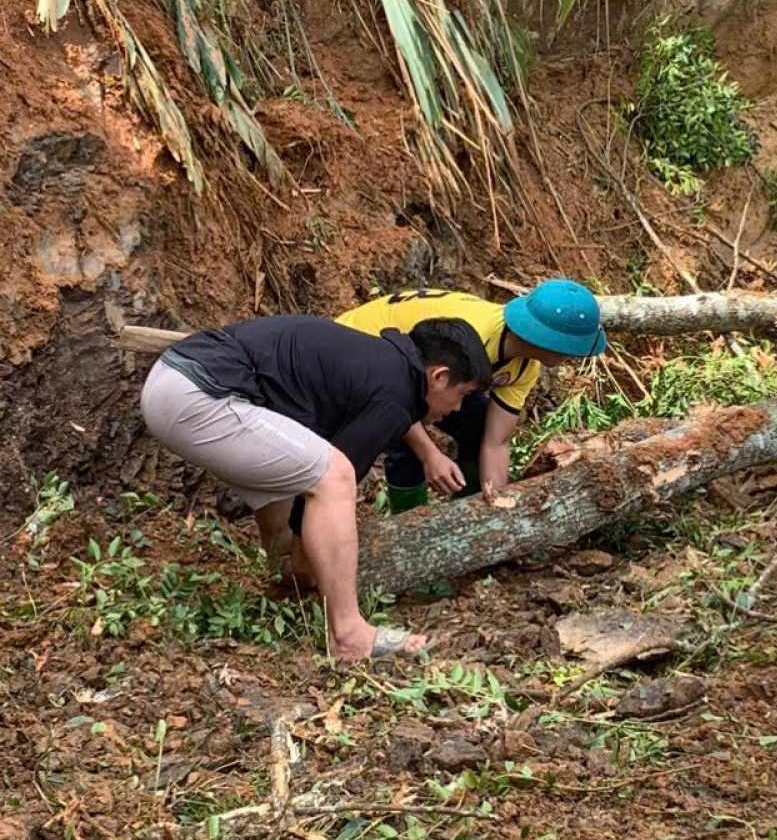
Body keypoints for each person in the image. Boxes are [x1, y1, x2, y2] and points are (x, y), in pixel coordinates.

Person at [139, 314, 492, 659]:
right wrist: (305, 550)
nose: (459, 408)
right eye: (462, 394)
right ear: (439, 377)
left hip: (172, 378)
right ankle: (350, 635)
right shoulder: (396, 394)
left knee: (303, 464)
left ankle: (287, 585)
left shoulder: (377, 361)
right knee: (334, 476)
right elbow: (334, 481)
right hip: (199, 395)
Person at [337, 280, 606, 512]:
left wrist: (497, 505)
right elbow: (401, 399)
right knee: (406, 439)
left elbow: (495, 441)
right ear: (549, 340)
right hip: (359, 350)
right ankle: (408, 525)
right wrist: (431, 455)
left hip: (418, 371)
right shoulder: (470, 339)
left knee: (478, 423)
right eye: (572, 347)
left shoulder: (525, 366)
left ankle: (467, 512)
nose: (574, 355)